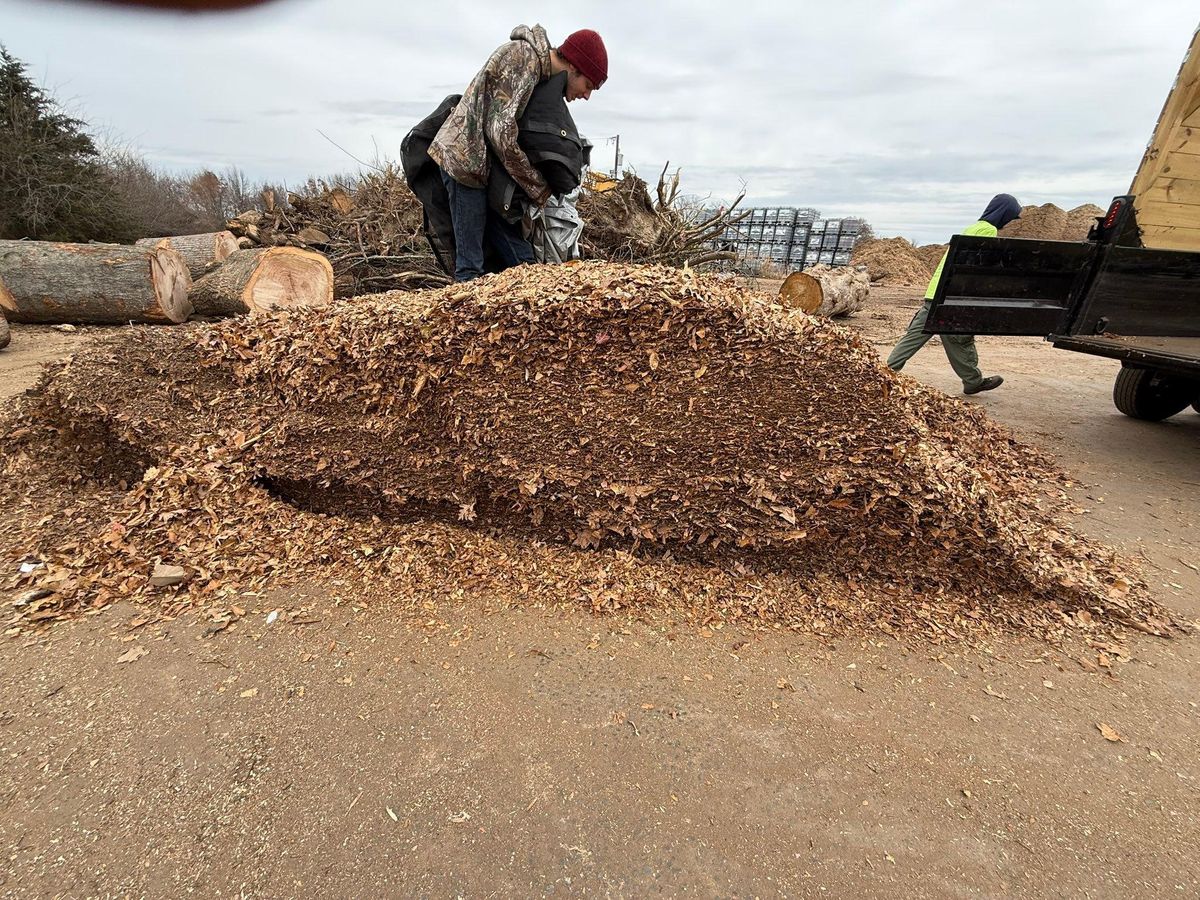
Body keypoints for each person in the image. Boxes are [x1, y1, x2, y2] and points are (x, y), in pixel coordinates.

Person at [429, 25, 608, 282]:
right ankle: (464, 320)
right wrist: (537, 187)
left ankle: (530, 309)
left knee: (522, 265)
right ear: (574, 66)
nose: (587, 95)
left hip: (489, 175)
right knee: (470, 268)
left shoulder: (541, 76)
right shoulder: (524, 58)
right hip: (464, 163)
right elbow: (500, 133)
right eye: (588, 84)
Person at [886, 194, 1023, 394]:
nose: (1009, 221)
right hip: (950, 295)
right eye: (1010, 217)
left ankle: (886, 371)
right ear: (1003, 214)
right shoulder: (987, 230)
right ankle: (972, 381)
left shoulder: (972, 227)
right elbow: (975, 264)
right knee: (960, 337)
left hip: (936, 293)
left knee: (921, 336)